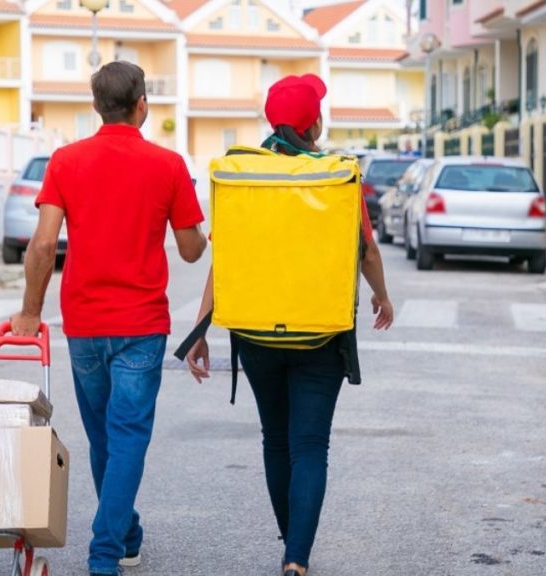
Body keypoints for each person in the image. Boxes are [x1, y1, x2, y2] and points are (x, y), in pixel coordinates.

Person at [184, 74, 395, 576]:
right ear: (315, 123)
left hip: (255, 332)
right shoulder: (337, 175)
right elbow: (365, 251)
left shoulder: (244, 174)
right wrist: (382, 296)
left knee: (276, 440)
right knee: (309, 445)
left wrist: (200, 329)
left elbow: (225, 258)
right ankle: (296, 556)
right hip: (321, 333)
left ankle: (292, 542)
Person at [11, 61, 207, 576]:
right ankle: (105, 555)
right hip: (141, 325)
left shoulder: (66, 160)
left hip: (85, 323)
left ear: (97, 107)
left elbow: (43, 243)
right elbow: (190, 251)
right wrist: (197, 230)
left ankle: (128, 535)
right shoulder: (167, 164)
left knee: (106, 437)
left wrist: (31, 312)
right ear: (142, 105)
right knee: (126, 438)